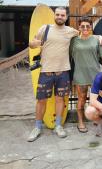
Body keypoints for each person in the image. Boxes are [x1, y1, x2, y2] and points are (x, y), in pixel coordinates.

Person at [27, 7, 79, 142]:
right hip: (46, 72)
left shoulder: (70, 31)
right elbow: (31, 44)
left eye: (62, 15)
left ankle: (58, 126)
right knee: (41, 100)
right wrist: (34, 44)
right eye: (58, 14)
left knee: (60, 99)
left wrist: (99, 36)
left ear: (66, 17)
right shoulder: (45, 29)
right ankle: (37, 127)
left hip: (63, 72)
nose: (60, 17)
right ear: (54, 16)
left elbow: (85, 34)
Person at [70, 17, 102, 133]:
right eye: (83, 26)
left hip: (95, 75)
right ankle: (80, 122)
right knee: (81, 100)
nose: (85, 28)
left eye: (88, 26)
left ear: (91, 27)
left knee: (98, 100)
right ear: (79, 27)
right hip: (80, 75)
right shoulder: (73, 40)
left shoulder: (97, 40)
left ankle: (98, 118)